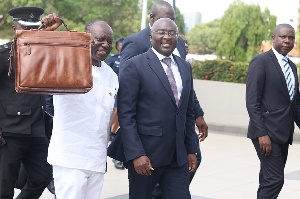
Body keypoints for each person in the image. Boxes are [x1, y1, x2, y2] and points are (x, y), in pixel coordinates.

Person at [118, 17, 198, 199]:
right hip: (147, 156)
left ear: (177, 37)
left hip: (177, 156)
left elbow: (188, 112)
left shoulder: (185, 67)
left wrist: (191, 149)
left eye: (171, 33)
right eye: (161, 32)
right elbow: (126, 115)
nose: (166, 37)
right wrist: (136, 154)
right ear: (151, 36)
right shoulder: (134, 66)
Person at [47, 20, 119, 199]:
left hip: (97, 159)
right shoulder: (66, 65)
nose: (105, 45)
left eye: (109, 41)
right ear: (86, 38)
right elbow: (39, 59)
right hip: (70, 158)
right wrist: (47, 33)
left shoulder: (111, 75)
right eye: (100, 39)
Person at [0, 7, 61, 199]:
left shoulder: (43, 52)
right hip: (9, 131)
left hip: (37, 130)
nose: (31, 33)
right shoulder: (4, 55)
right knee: (4, 186)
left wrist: (50, 33)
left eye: (35, 28)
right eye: (25, 28)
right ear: (14, 28)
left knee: (43, 176)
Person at [246, 23, 300, 199]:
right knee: (275, 179)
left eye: (291, 38)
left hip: (284, 133)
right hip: (266, 134)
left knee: (268, 178)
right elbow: (252, 102)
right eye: (283, 36)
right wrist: (262, 133)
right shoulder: (260, 62)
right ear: (274, 39)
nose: (287, 41)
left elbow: (295, 104)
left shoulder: (292, 67)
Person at [106, 36, 125, 169]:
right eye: (120, 44)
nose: (121, 46)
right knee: (115, 112)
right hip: (113, 91)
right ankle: (112, 132)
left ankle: (113, 133)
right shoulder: (113, 58)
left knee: (121, 115)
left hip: (124, 91)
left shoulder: (129, 58)